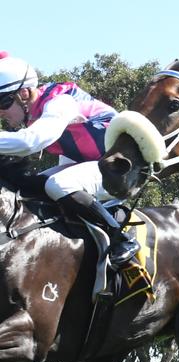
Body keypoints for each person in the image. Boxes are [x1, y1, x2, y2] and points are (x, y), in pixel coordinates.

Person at [0, 52, 139, 265]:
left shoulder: (59, 102)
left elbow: (29, 142)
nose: (1, 112)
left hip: (120, 166)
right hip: (92, 163)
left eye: (3, 103)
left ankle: (120, 237)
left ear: (25, 94)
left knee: (58, 185)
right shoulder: (36, 109)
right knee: (33, 187)